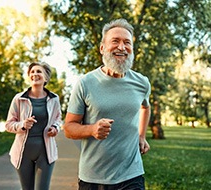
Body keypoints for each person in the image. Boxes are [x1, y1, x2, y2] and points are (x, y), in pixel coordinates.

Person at [63, 18, 151, 190]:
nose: (121, 47)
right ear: (102, 48)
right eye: (115, 41)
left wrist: (142, 136)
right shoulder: (85, 83)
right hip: (94, 178)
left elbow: (145, 107)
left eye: (127, 42)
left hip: (132, 174)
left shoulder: (142, 83)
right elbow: (68, 128)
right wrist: (92, 129)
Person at [5, 62, 62, 190]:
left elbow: (58, 119)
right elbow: (8, 124)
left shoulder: (54, 99)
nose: (35, 74)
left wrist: (55, 128)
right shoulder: (19, 99)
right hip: (23, 153)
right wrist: (22, 125)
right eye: (32, 72)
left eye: (39, 71)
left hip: (46, 152)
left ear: (46, 78)